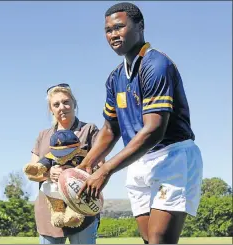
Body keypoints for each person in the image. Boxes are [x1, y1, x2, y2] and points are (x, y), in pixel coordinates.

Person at [76, 2, 203, 244]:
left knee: (159, 240)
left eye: (119, 27)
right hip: (138, 161)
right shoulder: (114, 78)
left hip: (172, 156)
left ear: (140, 26)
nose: (113, 34)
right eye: (108, 30)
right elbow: (110, 129)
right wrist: (86, 164)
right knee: (147, 239)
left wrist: (105, 170)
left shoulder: (156, 65)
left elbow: (154, 130)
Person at [28, 83, 103, 244]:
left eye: (66, 102)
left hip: (82, 207)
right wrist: (49, 174)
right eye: (56, 104)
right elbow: (32, 172)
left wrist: (71, 173)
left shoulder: (89, 130)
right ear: (51, 109)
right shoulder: (43, 135)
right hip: (50, 212)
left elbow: (100, 166)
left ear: (74, 104)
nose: (62, 107)